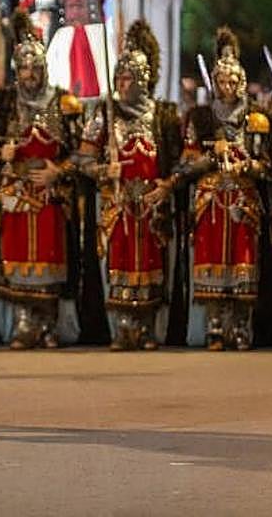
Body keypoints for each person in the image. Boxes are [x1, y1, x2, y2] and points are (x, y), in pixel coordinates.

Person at [76, 21, 180, 350]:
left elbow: (179, 159)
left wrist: (167, 185)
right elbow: (81, 160)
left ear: (142, 80)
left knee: (152, 265)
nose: (121, 84)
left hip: (152, 204)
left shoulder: (162, 116)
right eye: (119, 77)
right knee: (118, 265)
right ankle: (122, 328)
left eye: (127, 78)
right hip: (118, 203)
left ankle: (147, 328)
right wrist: (105, 170)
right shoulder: (104, 115)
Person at [0, 12, 81, 348]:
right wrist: (2, 153)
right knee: (16, 256)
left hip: (50, 192)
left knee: (52, 255)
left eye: (35, 68)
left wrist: (58, 171)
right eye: (24, 68)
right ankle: (25, 323)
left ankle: (49, 324)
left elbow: (81, 153)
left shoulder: (64, 102)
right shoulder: (4, 102)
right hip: (15, 192)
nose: (30, 74)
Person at [179, 29, 270, 350]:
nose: (227, 87)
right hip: (211, 201)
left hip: (243, 201)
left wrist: (245, 165)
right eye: (221, 82)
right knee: (211, 260)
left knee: (243, 263)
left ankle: (241, 327)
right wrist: (209, 156)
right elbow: (186, 166)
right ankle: (215, 327)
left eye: (232, 82)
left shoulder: (255, 118)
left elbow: (266, 166)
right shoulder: (200, 117)